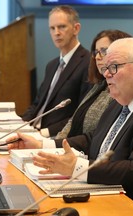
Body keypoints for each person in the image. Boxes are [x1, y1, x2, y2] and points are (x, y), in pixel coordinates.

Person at [9, 38, 133, 215]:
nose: (106, 73)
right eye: (106, 67)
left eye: (114, 67)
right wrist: (42, 144)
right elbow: (94, 138)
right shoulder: (123, 98)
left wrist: (77, 168)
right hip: (112, 193)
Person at [21, 5, 91, 137]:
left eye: (62, 27)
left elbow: (80, 114)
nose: (56, 32)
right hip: (32, 130)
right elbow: (37, 104)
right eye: (52, 28)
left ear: (76, 28)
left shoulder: (87, 63)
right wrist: (21, 124)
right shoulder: (52, 65)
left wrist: (43, 133)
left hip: (53, 135)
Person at [55, 29, 132, 139]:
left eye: (104, 51)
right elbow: (74, 120)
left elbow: (98, 135)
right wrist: (55, 143)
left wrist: (56, 145)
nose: (97, 57)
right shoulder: (99, 85)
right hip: (70, 148)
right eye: (95, 52)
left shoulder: (122, 92)